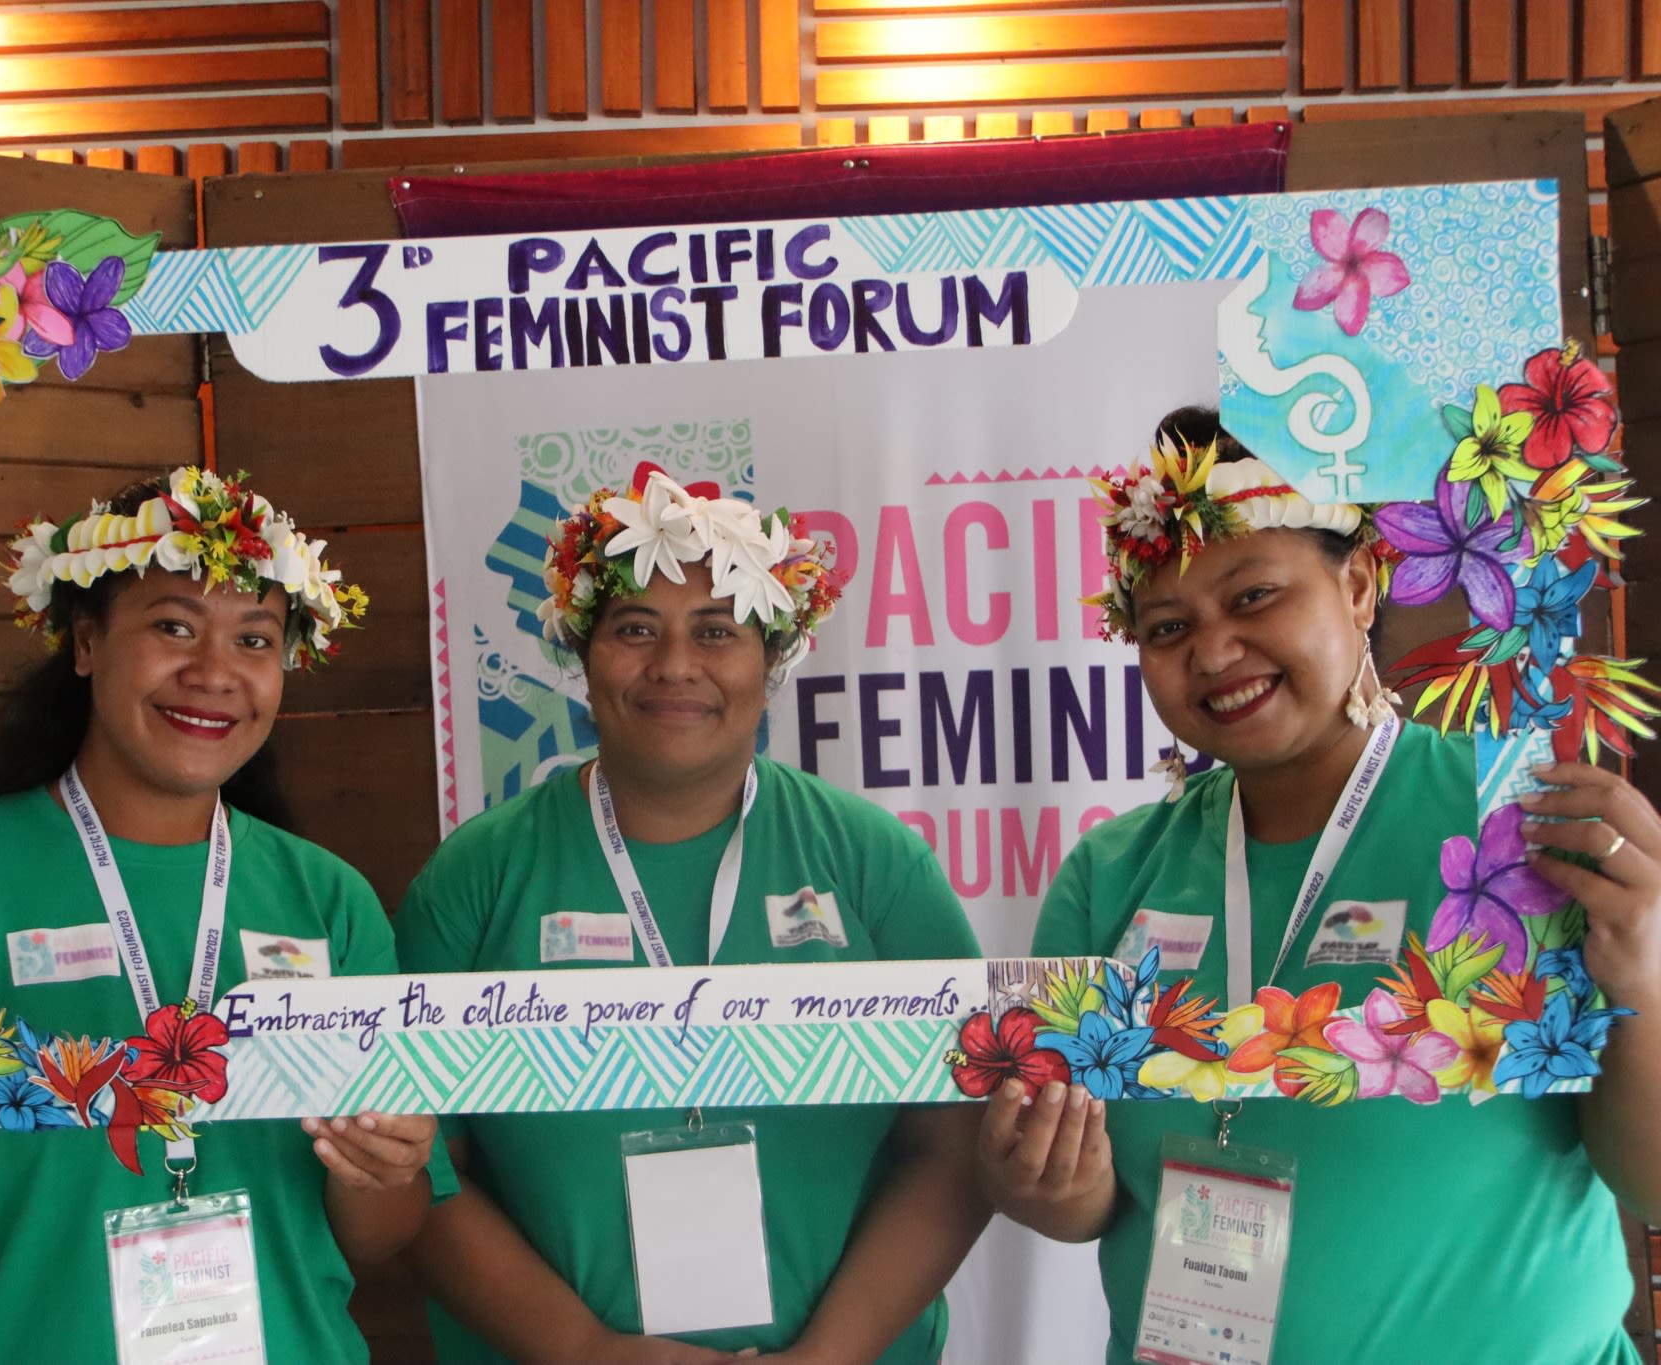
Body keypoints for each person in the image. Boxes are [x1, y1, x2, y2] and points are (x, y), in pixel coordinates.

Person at [0, 467, 451, 1364]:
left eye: (255, 639)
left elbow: (380, 1233)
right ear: (87, 640)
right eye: (173, 625)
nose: (214, 672)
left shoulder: (328, 899)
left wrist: (391, 1164)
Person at [975, 409, 1661, 1364]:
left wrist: (1644, 973)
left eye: (1254, 596)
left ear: (1360, 583)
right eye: (1168, 626)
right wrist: (1043, 1182)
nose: (1211, 653)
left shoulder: (1520, 826)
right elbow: (1075, 1197)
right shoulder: (1109, 873)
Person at [396, 463, 992, 1365]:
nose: (675, 664)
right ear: (583, 656)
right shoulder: (476, 878)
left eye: (717, 630)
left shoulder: (873, 863)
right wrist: (586, 1349)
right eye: (636, 628)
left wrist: (823, 1359)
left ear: (772, 659)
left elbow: (960, 1140)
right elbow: (419, 1172)